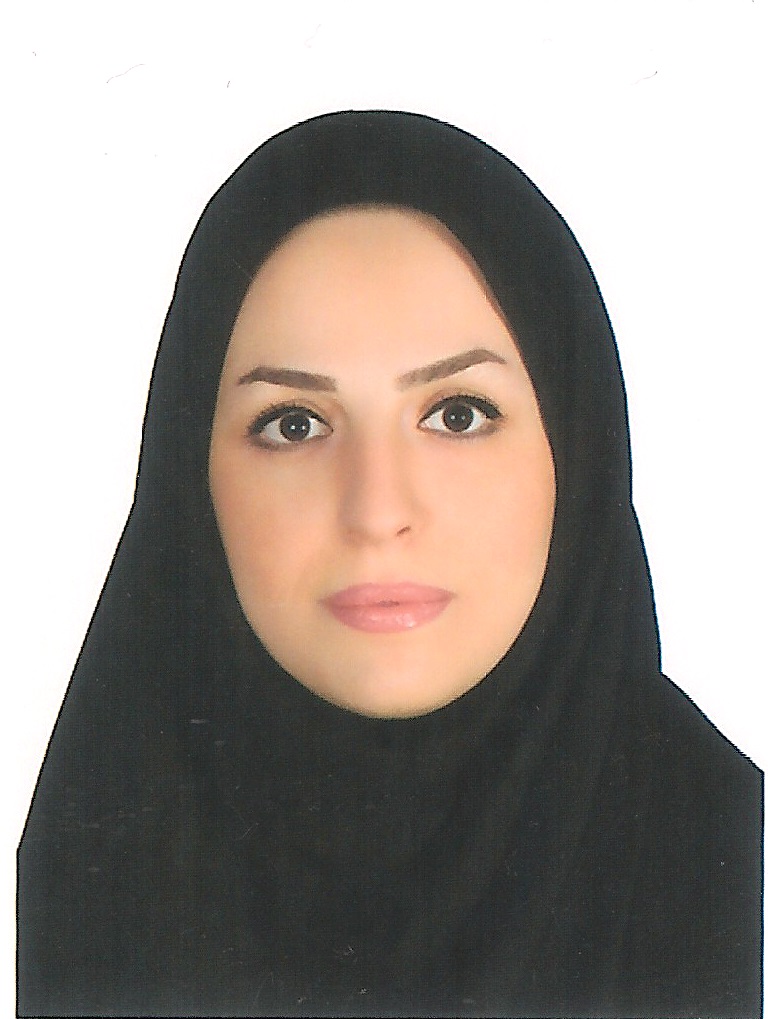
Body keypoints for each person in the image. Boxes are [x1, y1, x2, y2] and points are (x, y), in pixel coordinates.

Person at [18, 111, 762, 1018]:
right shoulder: (96, 867)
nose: (376, 511)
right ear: (189, 476)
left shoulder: (735, 867)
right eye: (294, 424)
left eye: (457, 415)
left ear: (577, 451)